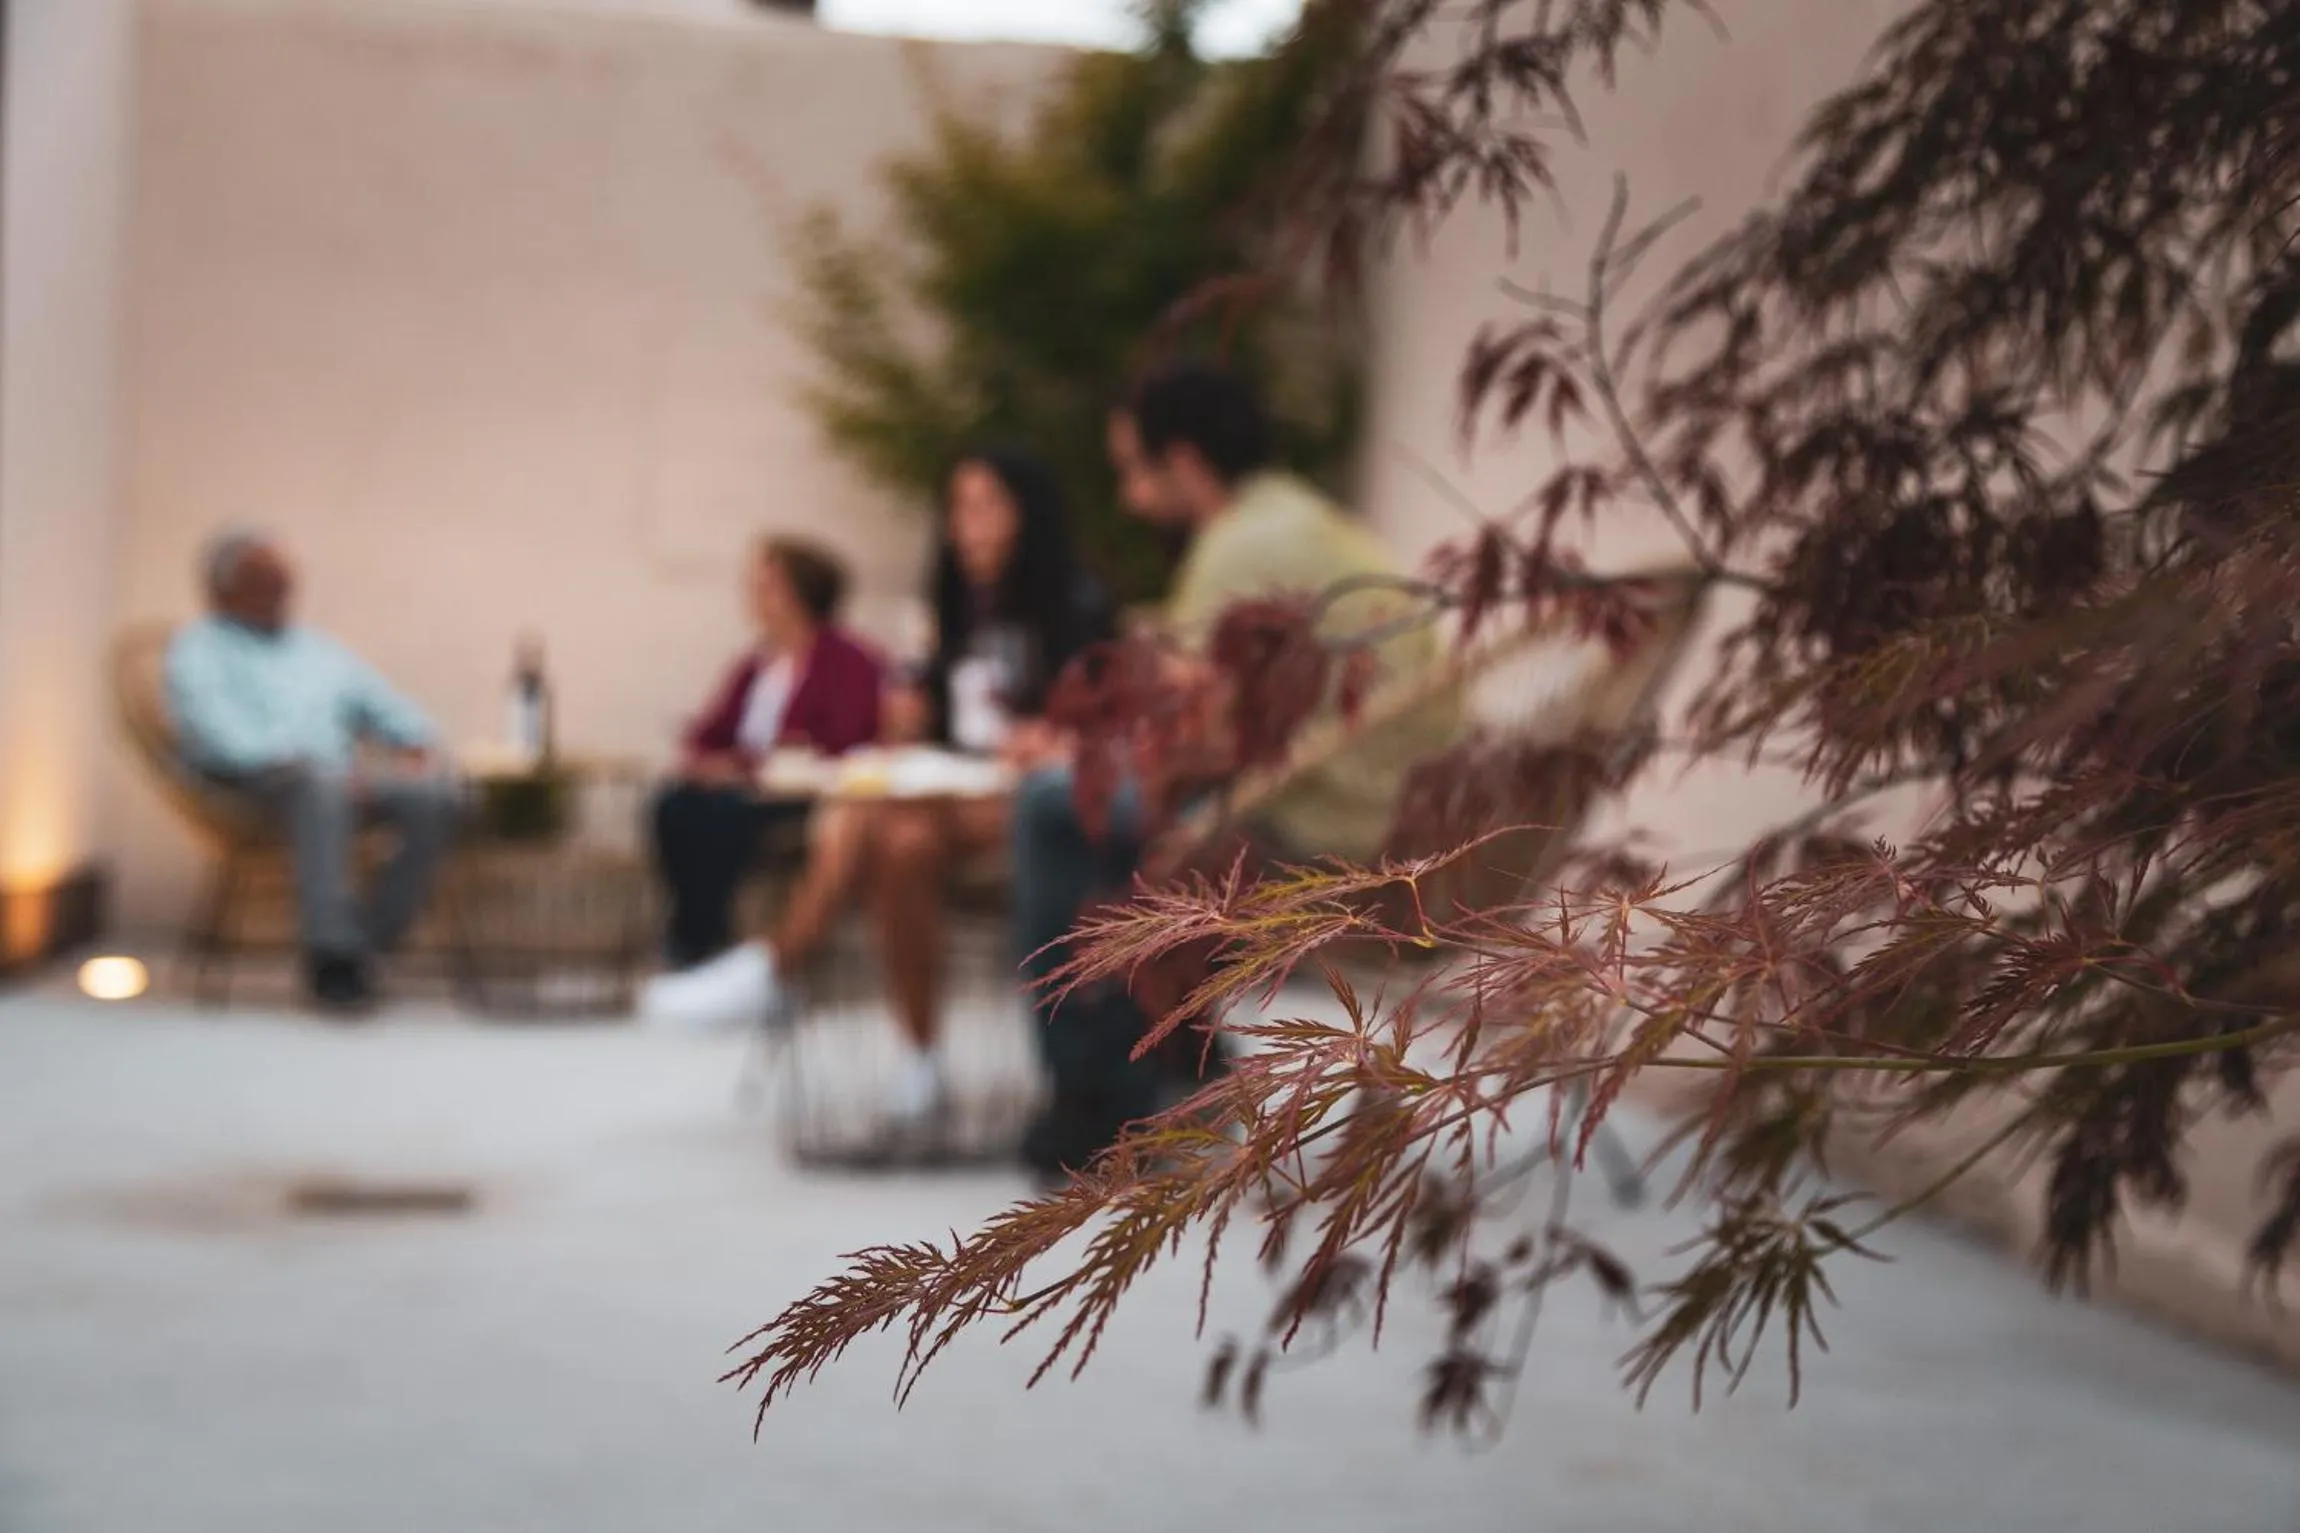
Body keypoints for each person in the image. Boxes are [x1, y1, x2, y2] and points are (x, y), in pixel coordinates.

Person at [1013, 358, 1459, 1177]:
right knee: (1112, 823)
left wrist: (1073, 756)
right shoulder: (1315, 523)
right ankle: (1167, 1074)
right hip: (1409, 818)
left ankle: (1088, 1096)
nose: (1128, 500)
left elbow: (1182, 744)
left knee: (1050, 807)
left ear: (1183, 462)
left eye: (1133, 473)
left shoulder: (1239, 546)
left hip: (1333, 837)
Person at [641, 449, 1113, 1131]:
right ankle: (919, 1060)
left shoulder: (1076, 600)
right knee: (900, 841)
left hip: (1036, 799)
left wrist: (1052, 732)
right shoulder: (953, 604)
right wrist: (911, 711)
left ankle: (777, 966)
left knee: (866, 804)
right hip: (952, 793)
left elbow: (1109, 714)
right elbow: (937, 719)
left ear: (1028, 513)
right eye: (958, 507)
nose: (968, 525)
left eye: (987, 505)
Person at [164, 529, 462, 1014]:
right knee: (319, 788)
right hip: (251, 783)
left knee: (436, 796)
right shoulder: (199, 647)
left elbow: (385, 706)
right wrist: (306, 763)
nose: (280, 590)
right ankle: (331, 958)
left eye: (285, 580)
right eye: (264, 579)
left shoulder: (317, 650)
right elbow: (216, 731)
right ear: (222, 588)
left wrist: (413, 744)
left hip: (337, 779)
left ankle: (365, 947)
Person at [649, 536, 884, 973]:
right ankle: (698, 933)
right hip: (742, 789)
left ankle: (702, 944)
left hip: (800, 796)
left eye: (766, 585)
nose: (753, 594)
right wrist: (705, 761)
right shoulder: (756, 662)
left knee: (720, 817)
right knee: (671, 805)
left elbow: (845, 737)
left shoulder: (848, 660)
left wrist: (742, 766)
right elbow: (711, 730)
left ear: (799, 592)